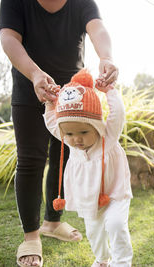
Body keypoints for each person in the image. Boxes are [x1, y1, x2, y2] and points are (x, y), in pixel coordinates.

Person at [0, 0, 118, 266]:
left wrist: (106, 58)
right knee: (30, 160)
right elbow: (9, 38)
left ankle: (52, 222)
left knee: (63, 157)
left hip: (73, 96)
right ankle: (31, 236)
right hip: (31, 87)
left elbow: (97, 29)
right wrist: (36, 74)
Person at [44, 69, 133, 267]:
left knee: (116, 224)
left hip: (115, 195)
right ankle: (102, 260)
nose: (77, 139)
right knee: (94, 232)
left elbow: (117, 114)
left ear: (96, 125)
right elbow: (52, 123)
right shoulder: (70, 143)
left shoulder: (107, 139)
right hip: (88, 199)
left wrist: (109, 91)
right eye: (69, 134)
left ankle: (122, 263)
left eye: (84, 132)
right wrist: (51, 105)